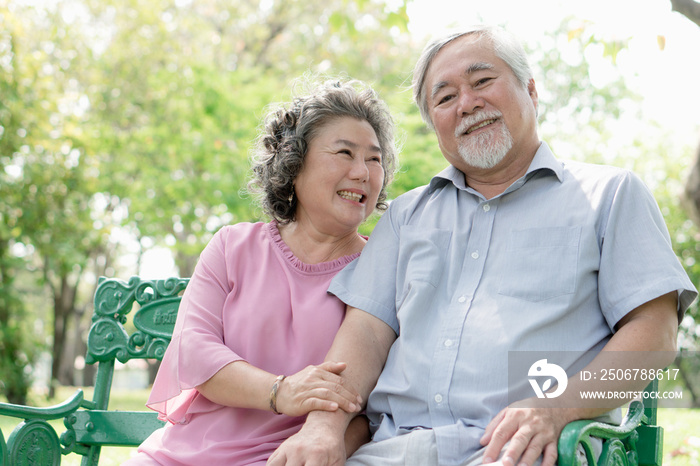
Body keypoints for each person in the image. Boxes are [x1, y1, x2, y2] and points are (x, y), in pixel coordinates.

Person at [267, 25, 697, 466]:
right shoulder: (406, 215)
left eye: (482, 81)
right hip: (390, 452)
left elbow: (656, 339)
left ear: (530, 90)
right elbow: (365, 335)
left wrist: (557, 408)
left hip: (530, 449)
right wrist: (322, 429)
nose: (467, 104)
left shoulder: (610, 195)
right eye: (445, 97)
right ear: (434, 121)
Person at [123, 78, 397, 465]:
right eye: (344, 153)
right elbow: (193, 350)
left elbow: (373, 405)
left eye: (374, 158)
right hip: (178, 455)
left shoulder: (381, 267)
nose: (363, 172)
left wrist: (331, 444)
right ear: (294, 163)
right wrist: (281, 391)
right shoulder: (232, 246)